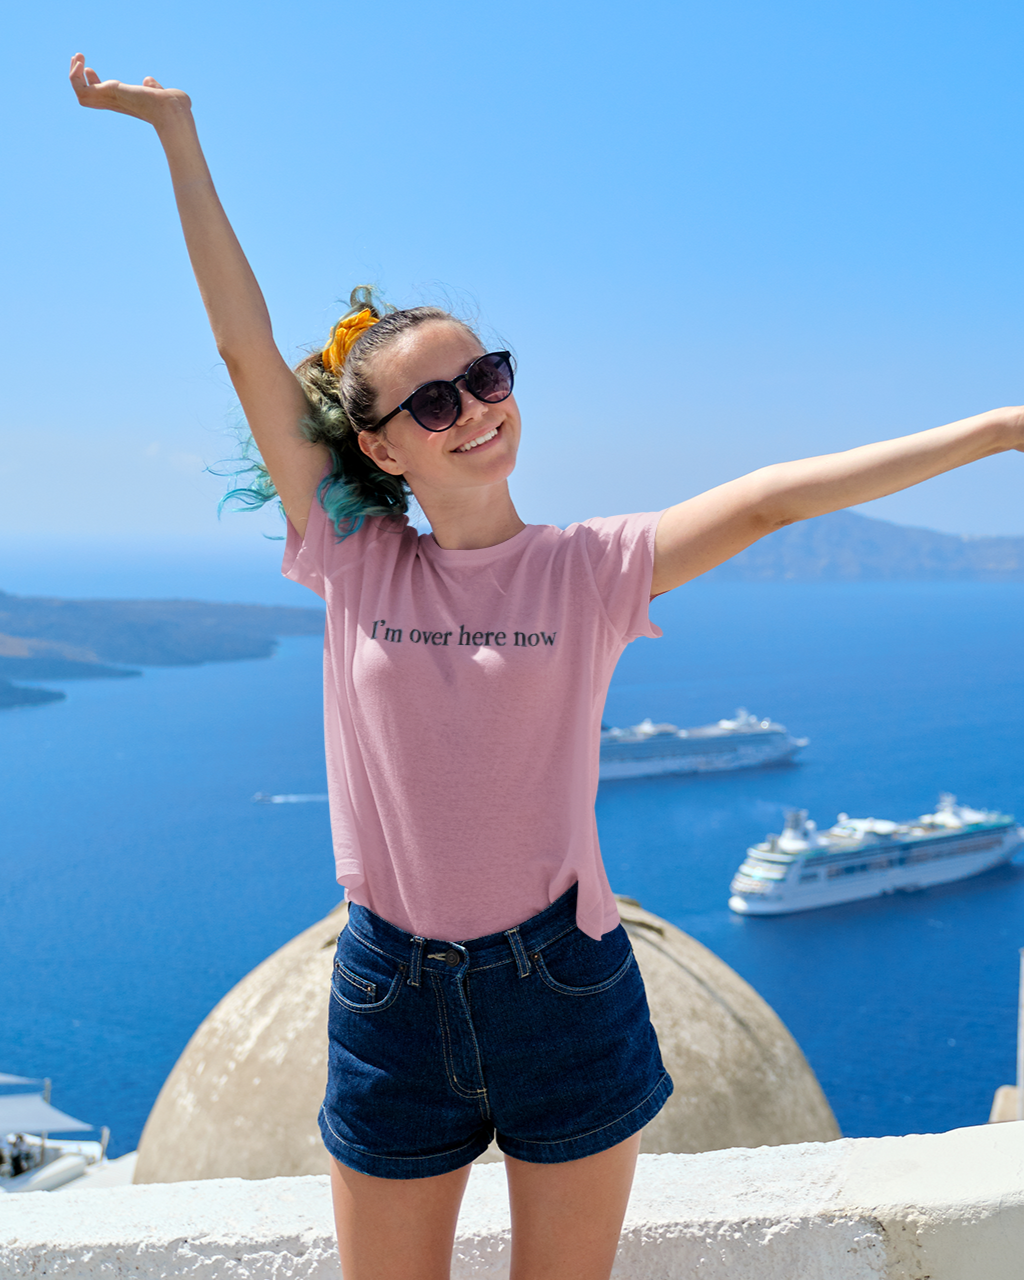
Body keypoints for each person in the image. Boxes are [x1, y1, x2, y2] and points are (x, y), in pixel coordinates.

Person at [70, 52, 1023, 1280]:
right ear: (378, 444)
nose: (473, 408)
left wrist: (1000, 428)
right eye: (432, 403)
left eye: (487, 377)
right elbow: (242, 346)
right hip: (387, 996)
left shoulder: (593, 568)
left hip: (561, 983)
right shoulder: (356, 556)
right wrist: (175, 134)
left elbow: (777, 497)